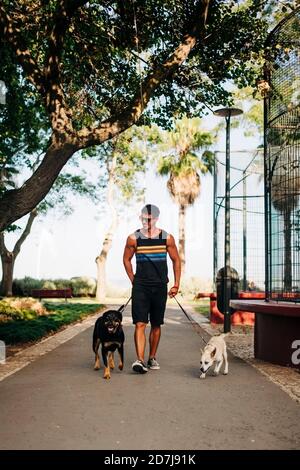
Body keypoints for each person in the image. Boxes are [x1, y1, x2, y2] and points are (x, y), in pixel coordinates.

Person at [123, 204, 181, 374]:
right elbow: (126, 259)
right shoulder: (133, 238)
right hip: (141, 287)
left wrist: (176, 284)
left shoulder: (167, 238)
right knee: (140, 323)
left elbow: (176, 260)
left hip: (160, 286)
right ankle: (140, 360)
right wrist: (134, 280)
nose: (145, 221)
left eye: (148, 218)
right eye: (143, 218)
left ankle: (152, 357)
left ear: (156, 218)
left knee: (156, 324)